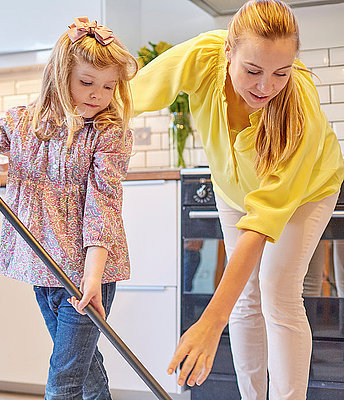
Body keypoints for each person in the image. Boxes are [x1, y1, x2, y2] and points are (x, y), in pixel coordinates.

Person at [130, 0, 344, 398]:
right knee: (246, 297)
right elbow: (130, 94)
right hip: (234, 188)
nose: (266, 86)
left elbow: (261, 224)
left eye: (282, 72)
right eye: (253, 70)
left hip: (308, 191)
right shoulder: (203, 56)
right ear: (228, 52)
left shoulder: (301, 113)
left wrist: (211, 322)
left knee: (278, 291)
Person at [0, 17, 136, 399]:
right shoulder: (23, 122)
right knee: (85, 368)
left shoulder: (109, 133)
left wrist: (92, 277)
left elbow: (102, 206)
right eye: (86, 82)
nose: (97, 95)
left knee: (65, 378)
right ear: (60, 75)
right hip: (43, 267)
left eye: (108, 86)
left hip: (88, 272)